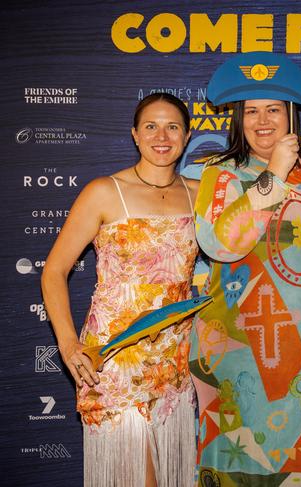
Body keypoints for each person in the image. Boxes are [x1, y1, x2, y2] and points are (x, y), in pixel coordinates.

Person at [190, 52, 301, 486]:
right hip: (241, 352)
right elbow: (221, 244)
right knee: (244, 462)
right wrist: (274, 175)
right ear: (237, 117)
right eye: (250, 111)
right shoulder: (221, 174)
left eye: (273, 109)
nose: (262, 120)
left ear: (291, 114)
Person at [41, 93, 199, 487]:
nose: (161, 136)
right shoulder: (104, 191)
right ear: (134, 134)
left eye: (172, 126)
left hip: (174, 365)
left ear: (187, 134)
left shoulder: (201, 194)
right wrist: (68, 344)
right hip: (113, 363)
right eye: (151, 126)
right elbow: (54, 271)